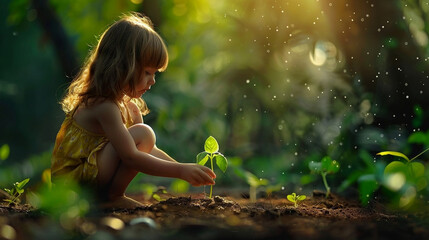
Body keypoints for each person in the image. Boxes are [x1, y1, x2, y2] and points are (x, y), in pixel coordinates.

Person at [51, 12, 216, 208]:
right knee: (144, 133)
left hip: (91, 176)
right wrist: (179, 171)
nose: (152, 81)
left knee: (144, 136)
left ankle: (111, 197)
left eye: (155, 74)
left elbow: (147, 149)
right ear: (122, 66)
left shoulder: (129, 106)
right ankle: (113, 197)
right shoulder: (104, 106)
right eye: (147, 72)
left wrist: (184, 168)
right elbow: (131, 156)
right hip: (73, 186)